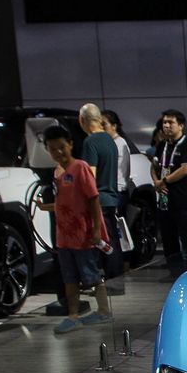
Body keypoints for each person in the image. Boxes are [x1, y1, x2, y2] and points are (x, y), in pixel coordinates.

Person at [34, 126, 113, 334]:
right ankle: (73, 316)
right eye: (53, 149)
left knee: (91, 274)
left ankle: (104, 311)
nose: (58, 152)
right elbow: (65, 203)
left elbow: (93, 199)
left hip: (83, 235)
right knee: (69, 278)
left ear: (70, 144)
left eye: (61, 147)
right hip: (64, 237)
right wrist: (45, 207)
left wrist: (96, 230)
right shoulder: (58, 172)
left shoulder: (80, 167)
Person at [151, 110, 187, 276]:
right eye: (164, 122)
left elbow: (185, 169)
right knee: (168, 237)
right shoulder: (161, 145)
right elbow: (154, 167)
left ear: (181, 126)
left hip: (183, 200)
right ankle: (174, 272)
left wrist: (164, 181)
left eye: (170, 122)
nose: (166, 126)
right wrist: (156, 182)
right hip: (165, 198)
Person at [78, 103, 122, 279]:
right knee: (112, 241)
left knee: (102, 243)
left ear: (82, 120)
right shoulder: (110, 140)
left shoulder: (90, 142)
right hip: (111, 198)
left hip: (99, 201)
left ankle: (111, 280)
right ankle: (117, 277)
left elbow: (90, 176)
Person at [100, 109, 133, 217]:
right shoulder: (109, 143)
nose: (101, 127)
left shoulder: (119, 143)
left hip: (116, 192)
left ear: (114, 126)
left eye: (104, 124)